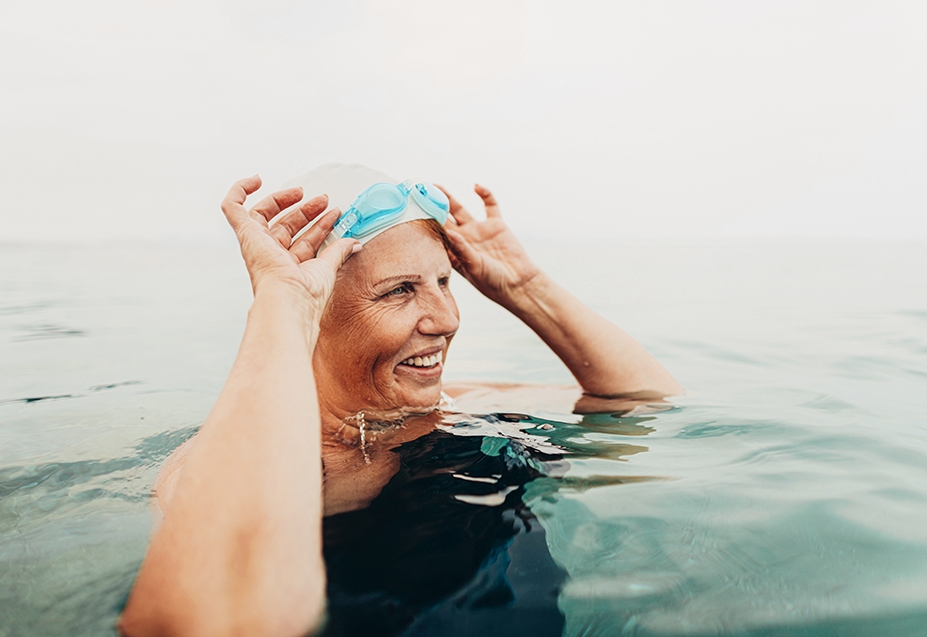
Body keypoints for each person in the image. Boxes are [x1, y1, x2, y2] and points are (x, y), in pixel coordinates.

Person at [117, 164, 681, 637]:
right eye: (400, 291)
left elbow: (647, 405)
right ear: (317, 308)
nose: (447, 320)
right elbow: (205, 620)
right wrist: (281, 304)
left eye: (444, 283)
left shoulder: (467, 406)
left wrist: (525, 288)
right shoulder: (227, 465)